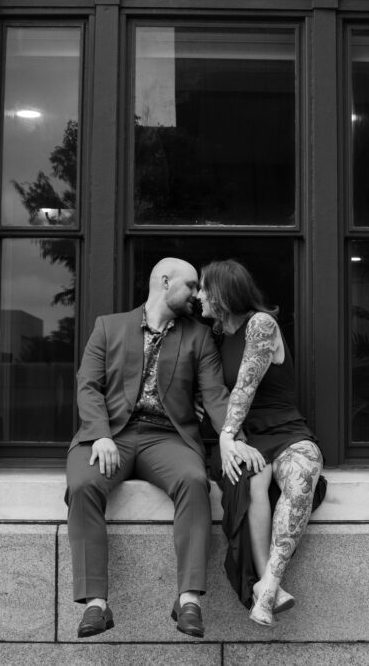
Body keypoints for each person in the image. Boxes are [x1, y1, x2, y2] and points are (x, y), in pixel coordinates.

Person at [66, 257, 243, 639]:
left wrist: (232, 440)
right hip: (111, 434)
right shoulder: (108, 327)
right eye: (191, 285)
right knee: (83, 485)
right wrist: (99, 434)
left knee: (195, 481)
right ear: (165, 282)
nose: (198, 295)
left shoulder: (198, 336)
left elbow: (215, 396)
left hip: (168, 437)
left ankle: (189, 599)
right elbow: (87, 385)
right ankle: (96, 604)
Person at [196, 259, 326, 628]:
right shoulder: (217, 335)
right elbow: (213, 388)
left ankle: (268, 584)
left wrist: (225, 437)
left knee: (303, 474)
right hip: (249, 437)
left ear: (222, 292)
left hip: (286, 430)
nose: (199, 295)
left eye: (204, 288)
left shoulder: (261, 323)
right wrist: (234, 438)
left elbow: (246, 385)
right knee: (253, 478)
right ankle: (268, 590)